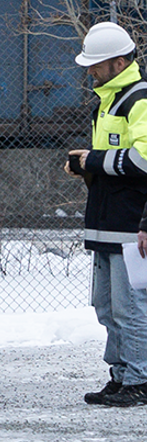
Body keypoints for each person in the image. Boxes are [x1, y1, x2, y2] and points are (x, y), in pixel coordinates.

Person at [64, 21, 147, 407]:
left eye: (95, 65)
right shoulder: (113, 99)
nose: (90, 71)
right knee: (108, 305)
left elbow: (145, 158)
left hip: (130, 225)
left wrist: (93, 160)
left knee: (130, 308)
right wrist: (88, 166)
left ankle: (139, 378)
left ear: (118, 62)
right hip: (109, 223)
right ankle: (121, 375)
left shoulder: (138, 99)